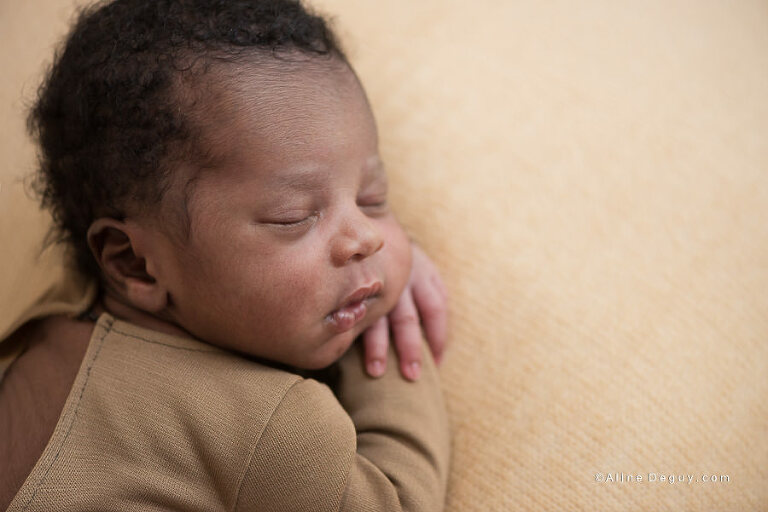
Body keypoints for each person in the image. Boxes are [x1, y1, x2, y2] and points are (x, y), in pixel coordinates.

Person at [0, 0, 451, 510]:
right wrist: (381, 335)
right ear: (133, 263)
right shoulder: (277, 428)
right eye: (294, 216)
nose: (367, 238)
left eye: (372, 199)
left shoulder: (42, 329)